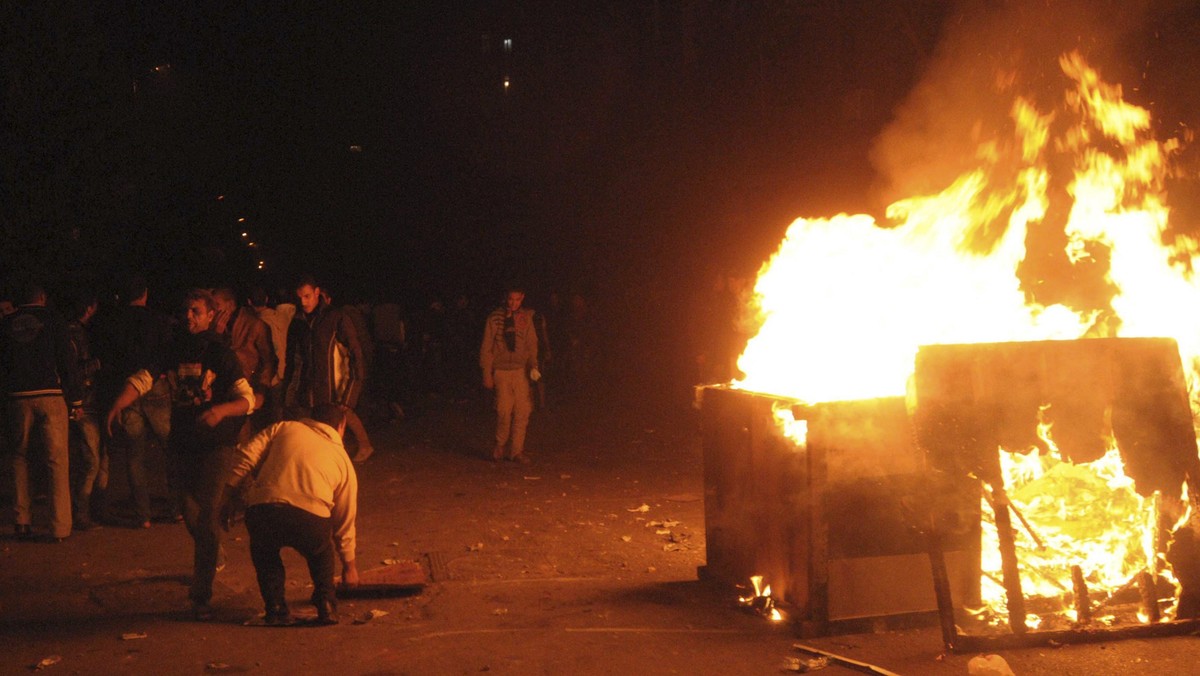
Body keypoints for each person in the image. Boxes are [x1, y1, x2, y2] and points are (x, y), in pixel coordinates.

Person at [105, 289, 255, 619]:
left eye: (196, 311)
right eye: (185, 310)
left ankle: (201, 595)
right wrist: (120, 402)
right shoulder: (172, 348)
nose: (189, 316)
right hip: (181, 441)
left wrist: (221, 412)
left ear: (210, 315)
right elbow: (143, 378)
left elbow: (248, 399)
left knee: (206, 512)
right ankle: (211, 549)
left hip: (216, 444)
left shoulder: (219, 352)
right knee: (188, 510)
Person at [219, 402, 359, 625]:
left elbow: (246, 456)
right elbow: (345, 518)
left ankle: (275, 607)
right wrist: (349, 566)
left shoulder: (284, 428)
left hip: (263, 509)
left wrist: (226, 495)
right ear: (341, 426)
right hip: (310, 519)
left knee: (265, 552)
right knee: (321, 552)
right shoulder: (342, 460)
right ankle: (326, 604)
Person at [0, 280, 84, 542]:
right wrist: (76, 399)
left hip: (16, 395)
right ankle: (59, 527)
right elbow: (66, 360)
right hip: (50, 394)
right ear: (43, 298)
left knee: (18, 457)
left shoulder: (7, 323)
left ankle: (21, 521)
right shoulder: (54, 319)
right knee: (57, 460)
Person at [93, 276, 173, 527]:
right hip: (155, 386)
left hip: (125, 390)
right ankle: (177, 508)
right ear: (145, 294)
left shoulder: (111, 322)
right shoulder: (159, 320)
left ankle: (143, 514)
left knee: (134, 453)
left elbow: (107, 358)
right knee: (169, 447)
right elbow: (167, 354)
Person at [284, 276, 372, 463]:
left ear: (317, 293)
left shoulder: (336, 318)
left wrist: (349, 395)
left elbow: (355, 355)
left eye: (307, 296)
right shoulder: (298, 322)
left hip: (333, 394)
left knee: (330, 449)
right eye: (299, 298)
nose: (303, 302)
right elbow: (294, 360)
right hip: (308, 394)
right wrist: (290, 390)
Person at [479, 286, 539, 464]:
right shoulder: (495, 318)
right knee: (504, 411)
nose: (513, 303)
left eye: (517, 300)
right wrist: (486, 372)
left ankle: (516, 451)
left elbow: (531, 343)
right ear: (506, 298)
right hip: (502, 371)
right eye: (511, 299)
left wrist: (533, 365)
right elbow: (487, 347)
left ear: (522, 298)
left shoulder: (525, 318)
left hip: (520, 371)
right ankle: (500, 444)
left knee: (523, 411)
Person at [212, 286, 276, 437]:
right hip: (222, 390)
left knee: (243, 437)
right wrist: (215, 335)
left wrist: (261, 389)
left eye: (216, 305)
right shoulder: (214, 326)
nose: (213, 310)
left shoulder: (255, 325)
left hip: (247, 388)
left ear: (230, 305)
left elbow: (269, 360)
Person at [66, 292, 105, 530]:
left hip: (76, 401)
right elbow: (75, 371)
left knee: (80, 459)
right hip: (83, 402)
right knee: (91, 461)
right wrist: (98, 365)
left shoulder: (63, 329)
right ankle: (81, 513)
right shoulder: (76, 333)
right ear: (89, 308)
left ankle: (76, 510)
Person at [250, 287, 295, 424]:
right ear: (267, 300)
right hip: (286, 369)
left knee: (266, 416)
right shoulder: (282, 318)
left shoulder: (256, 324)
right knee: (279, 413)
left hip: (269, 375)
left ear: (249, 302)